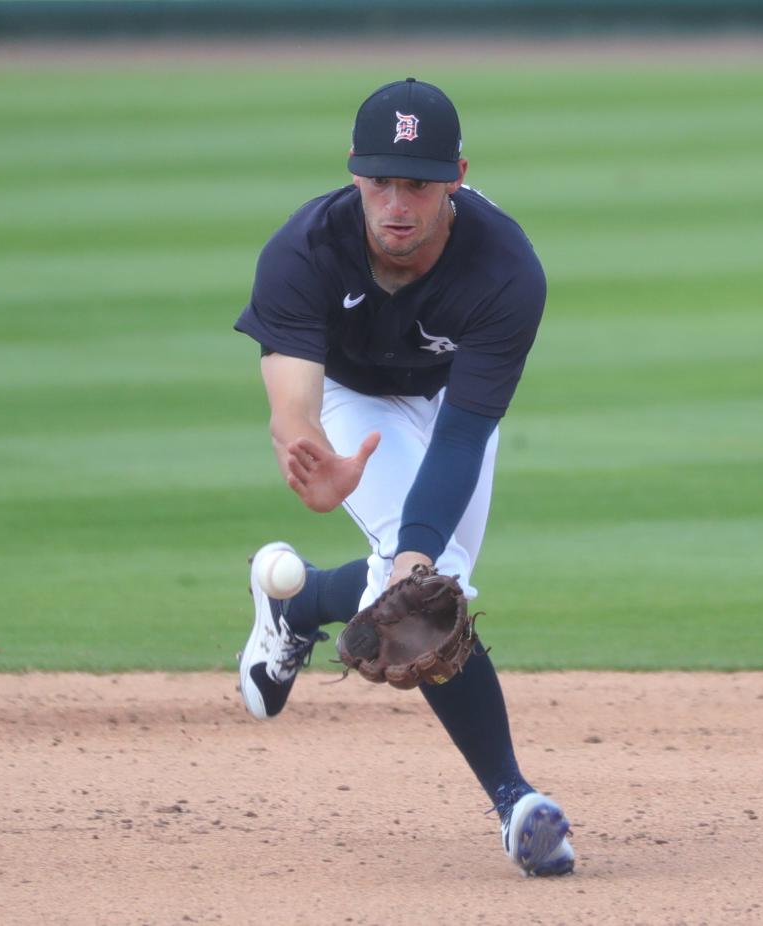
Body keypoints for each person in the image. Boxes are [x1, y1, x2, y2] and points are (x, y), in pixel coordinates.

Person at [234, 77, 574, 877]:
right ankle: (517, 803)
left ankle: (297, 603)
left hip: (449, 398)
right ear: (354, 172)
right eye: (380, 179)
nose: (396, 202)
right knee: (435, 585)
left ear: (456, 176)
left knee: (420, 580)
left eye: (417, 183)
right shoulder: (303, 250)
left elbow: (462, 437)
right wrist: (306, 450)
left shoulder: (506, 272)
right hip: (351, 398)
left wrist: (412, 563)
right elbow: (292, 396)